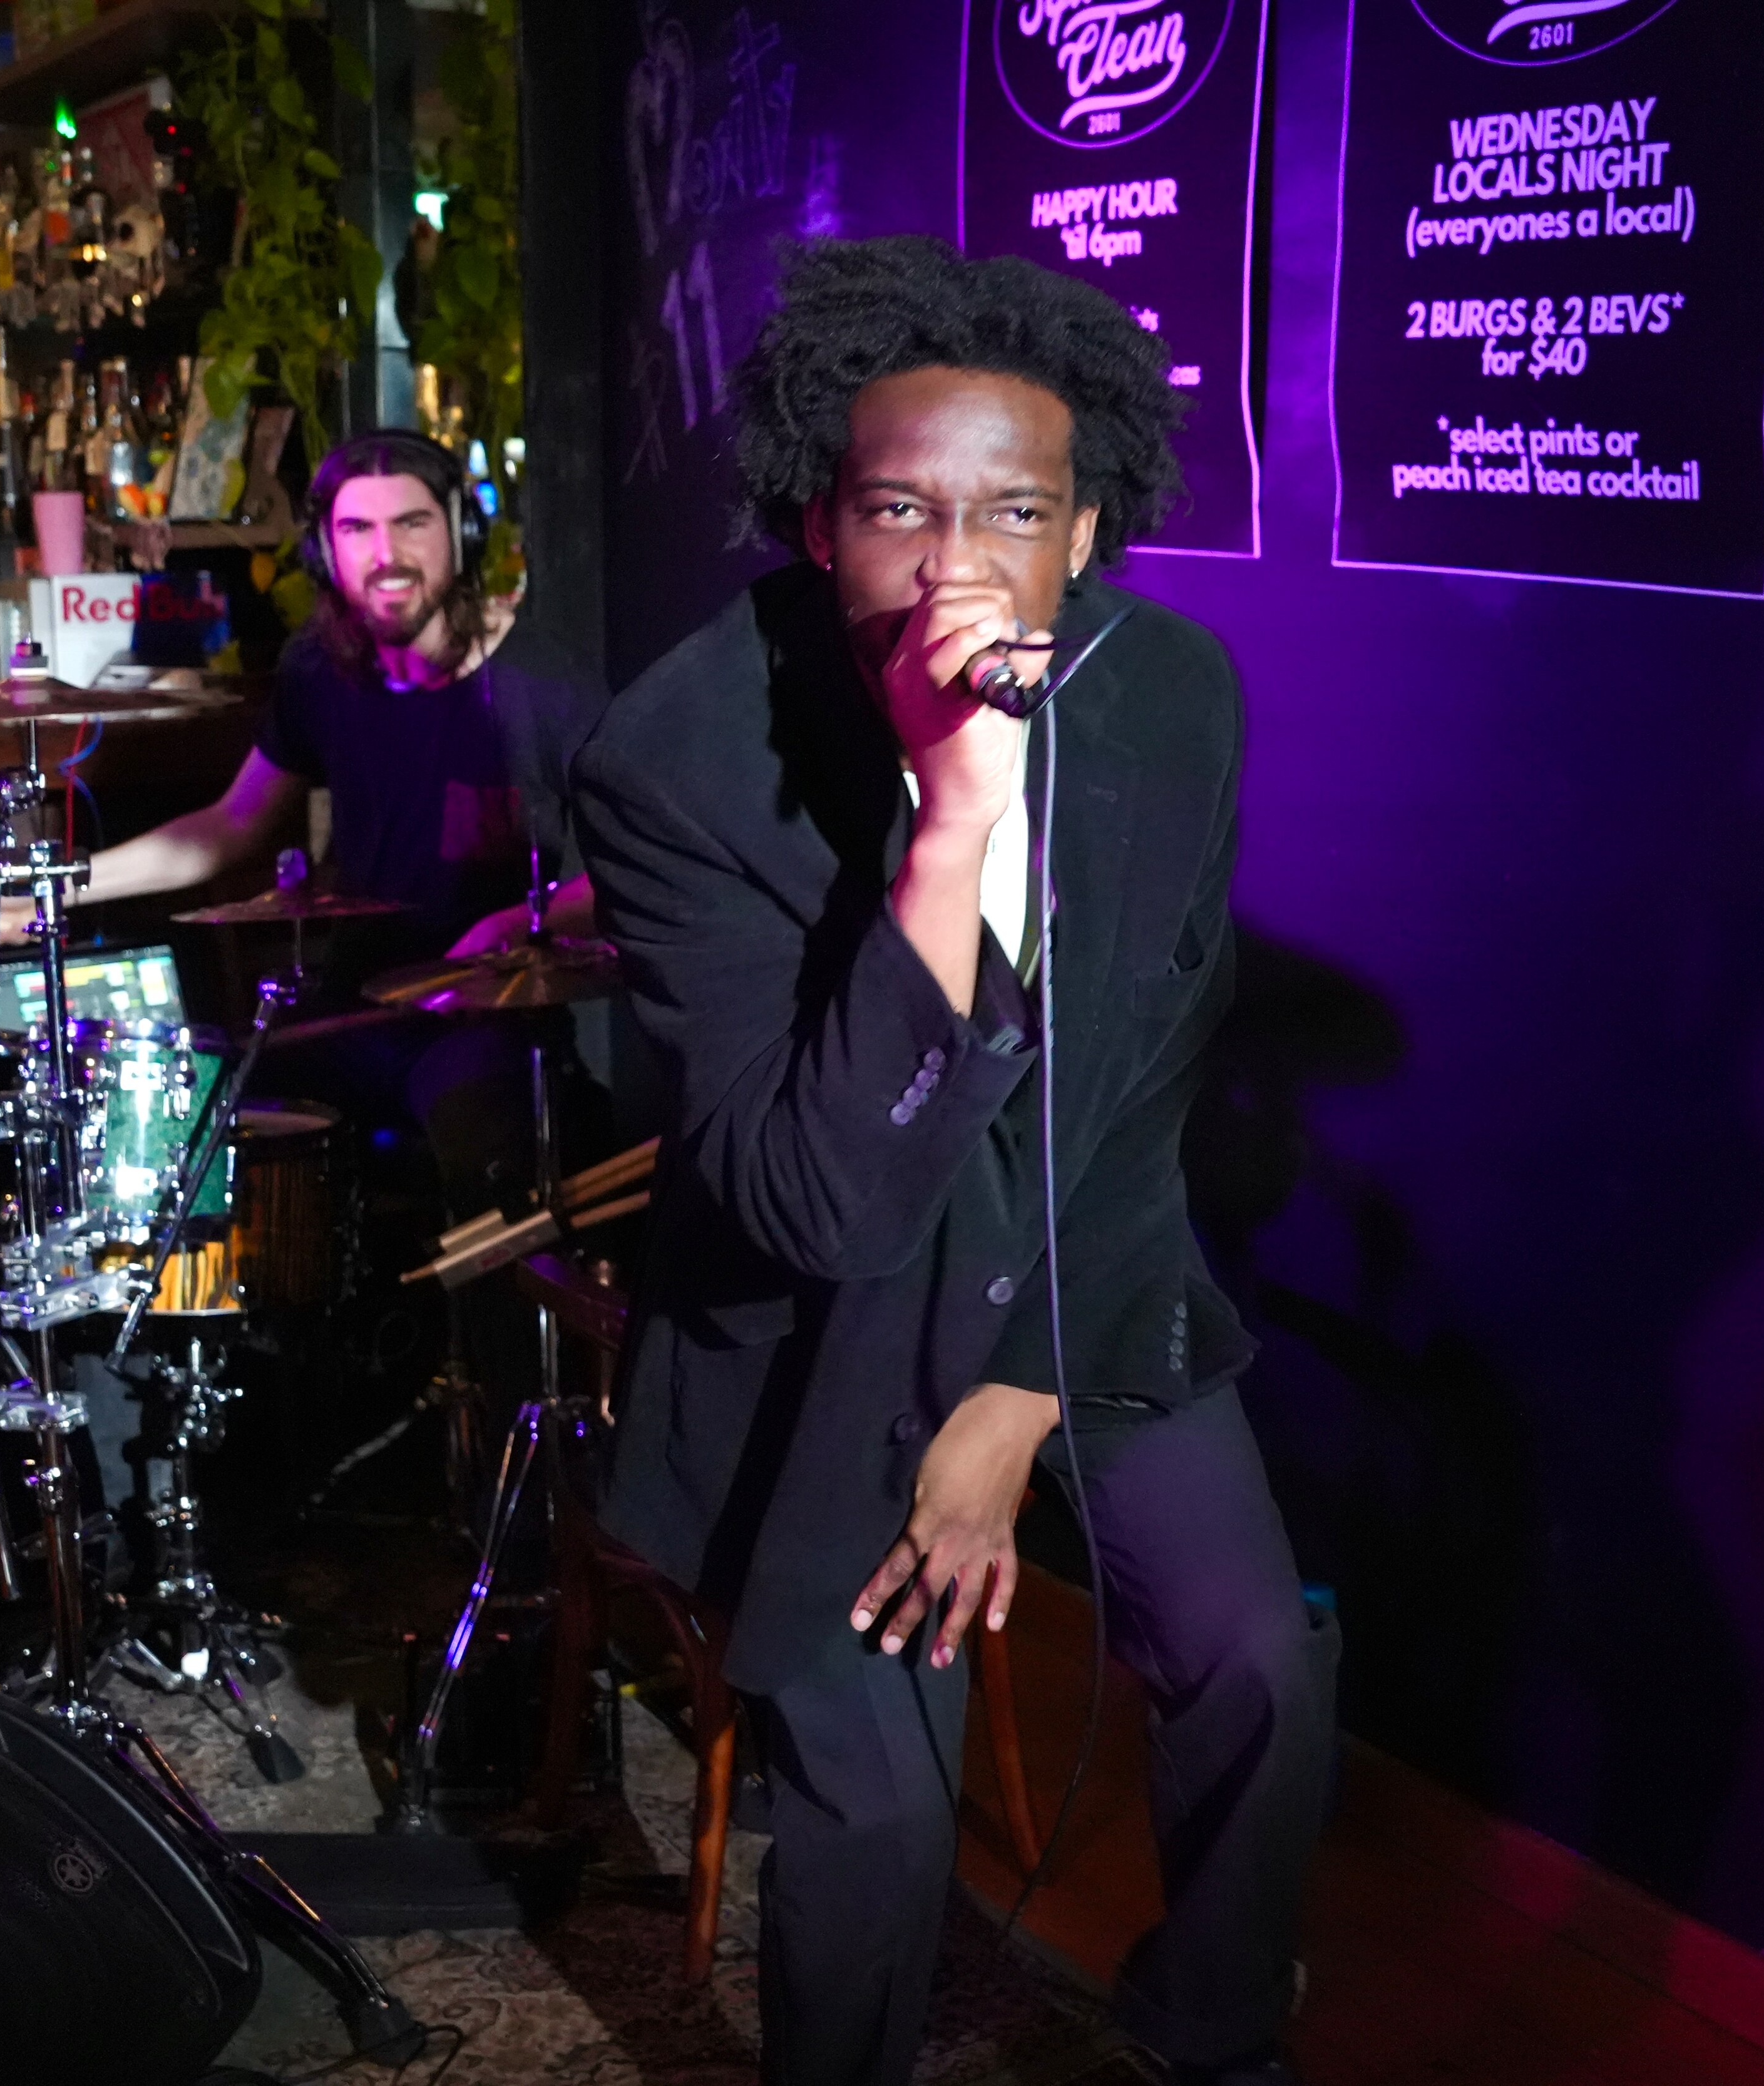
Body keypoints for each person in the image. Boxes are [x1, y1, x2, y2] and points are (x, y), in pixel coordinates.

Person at [572, 238, 1337, 2085]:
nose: (955, 569)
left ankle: (1214, 2030)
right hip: (818, 1330)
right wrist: (954, 817)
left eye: (1015, 513)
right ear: (816, 522)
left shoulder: (1170, 696)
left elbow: (1146, 1064)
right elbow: (812, 1197)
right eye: (898, 510)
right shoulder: (677, 760)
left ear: (1085, 536)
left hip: (1080, 1260)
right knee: (881, 1821)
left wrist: (1012, 1399)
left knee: (1257, 1662)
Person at [0, 427, 610, 1211]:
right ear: (325, 551)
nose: (386, 556)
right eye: (357, 529)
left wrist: (522, 923)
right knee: (196, 1140)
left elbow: (629, 868)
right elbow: (229, 825)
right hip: (353, 1010)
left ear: (461, 530)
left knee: (485, 1161)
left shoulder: (540, 685)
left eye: (411, 523)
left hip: (480, 1023)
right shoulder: (322, 668)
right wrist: (53, 889)